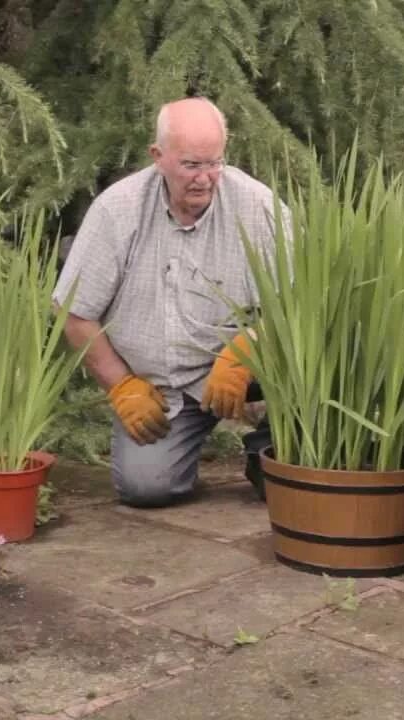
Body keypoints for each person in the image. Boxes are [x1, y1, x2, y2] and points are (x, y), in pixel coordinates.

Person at [52, 96, 289, 508]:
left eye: (214, 163)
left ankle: (270, 444)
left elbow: (303, 303)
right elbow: (74, 313)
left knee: (293, 473)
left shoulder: (258, 206)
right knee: (147, 487)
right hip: (164, 387)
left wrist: (248, 347)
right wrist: (121, 386)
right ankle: (181, 443)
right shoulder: (117, 210)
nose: (205, 178)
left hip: (248, 369)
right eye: (191, 165)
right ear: (158, 156)